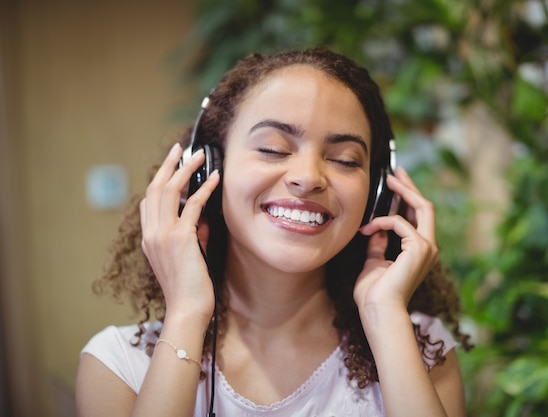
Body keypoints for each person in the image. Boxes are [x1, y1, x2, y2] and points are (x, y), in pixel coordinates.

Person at [75, 47, 472, 417]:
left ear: (378, 195)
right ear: (207, 172)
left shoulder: (419, 348)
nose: (307, 177)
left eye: (344, 159)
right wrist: (187, 314)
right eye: (273, 148)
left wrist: (385, 317)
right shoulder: (120, 365)